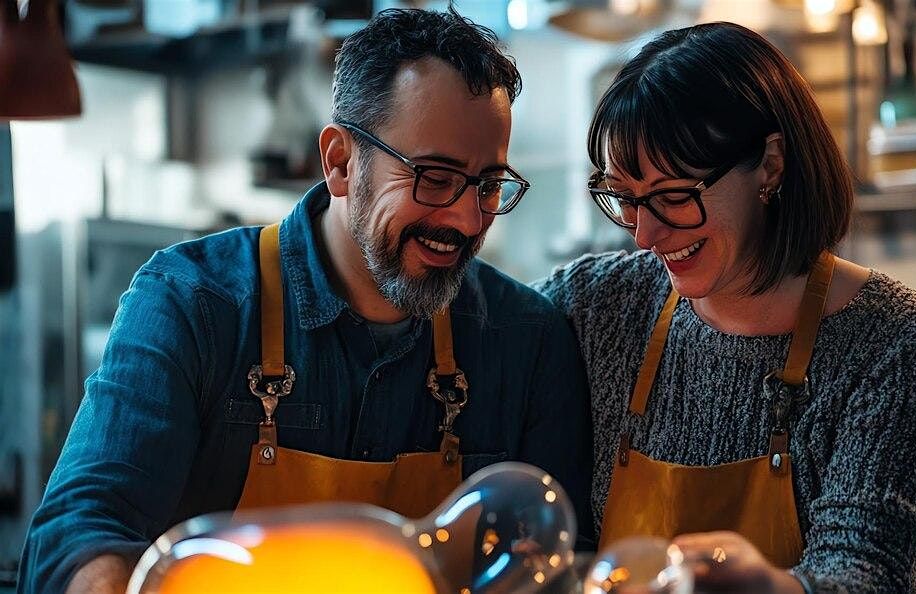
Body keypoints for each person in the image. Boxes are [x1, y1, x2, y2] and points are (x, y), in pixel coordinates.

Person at [19, 9, 593, 594]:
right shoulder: (193, 304)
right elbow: (80, 531)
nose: (468, 218)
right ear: (341, 161)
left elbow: (555, 563)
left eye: (489, 184)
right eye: (435, 177)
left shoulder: (527, 340)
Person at [536, 22, 916, 593]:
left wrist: (767, 587)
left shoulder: (904, 344)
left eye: (672, 197)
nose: (644, 234)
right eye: (625, 197)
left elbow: (865, 572)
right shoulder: (598, 306)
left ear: (769, 165)